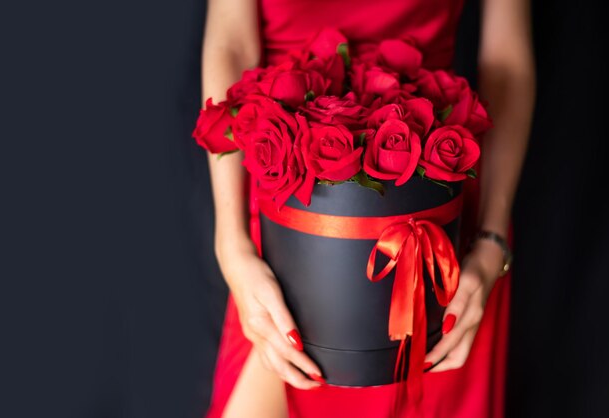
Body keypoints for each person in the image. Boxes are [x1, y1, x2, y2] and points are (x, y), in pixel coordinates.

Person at [201, 0, 535, 416]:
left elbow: (507, 61)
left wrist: (491, 240)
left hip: (435, 223)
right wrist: (230, 244)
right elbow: (231, 43)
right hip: (292, 202)